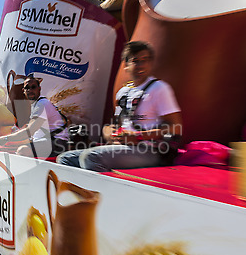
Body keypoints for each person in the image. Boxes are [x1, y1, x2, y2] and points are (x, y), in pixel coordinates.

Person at [56, 41, 182, 172]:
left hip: (150, 150)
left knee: (90, 158)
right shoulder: (123, 92)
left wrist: (138, 136)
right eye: (136, 60)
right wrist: (108, 132)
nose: (141, 65)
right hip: (125, 147)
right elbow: (116, 125)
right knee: (65, 158)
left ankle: (104, 191)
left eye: (145, 60)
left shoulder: (160, 88)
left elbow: (176, 128)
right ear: (126, 65)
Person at [0, 73, 69, 158]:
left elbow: (30, 131)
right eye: (27, 87)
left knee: (23, 150)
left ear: (39, 89)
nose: (30, 90)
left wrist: (6, 139)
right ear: (23, 90)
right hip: (48, 142)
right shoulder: (36, 104)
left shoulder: (42, 104)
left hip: (57, 143)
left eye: (33, 87)